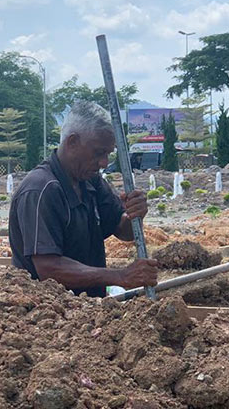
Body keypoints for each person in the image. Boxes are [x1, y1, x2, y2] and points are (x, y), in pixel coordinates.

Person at [9, 101, 158, 297]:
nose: (104, 162)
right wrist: (120, 276)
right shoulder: (41, 190)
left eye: (108, 154)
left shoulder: (91, 182)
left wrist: (134, 214)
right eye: (98, 152)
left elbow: (124, 231)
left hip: (86, 313)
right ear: (72, 142)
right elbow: (49, 269)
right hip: (46, 314)